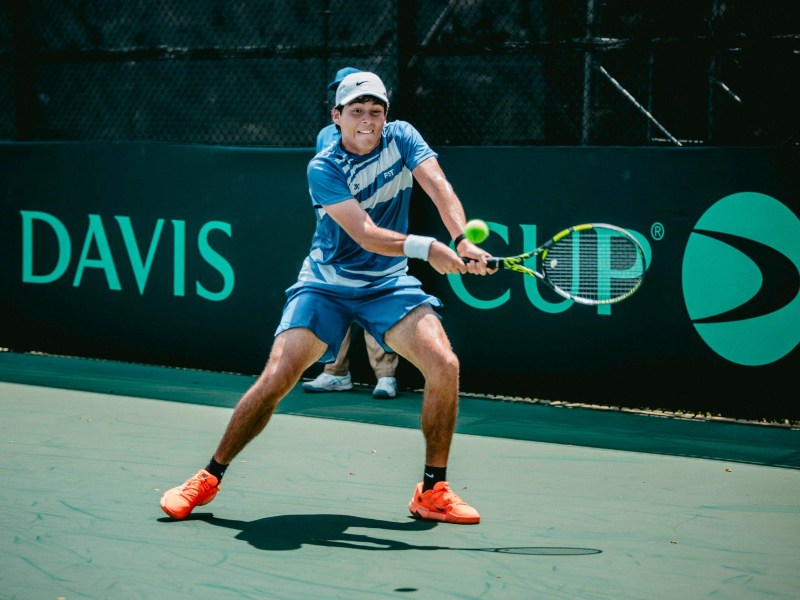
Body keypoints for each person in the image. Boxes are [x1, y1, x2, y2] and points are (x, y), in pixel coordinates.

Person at [160, 71, 492, 525]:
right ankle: (208, 477)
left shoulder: (403, 138)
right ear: (337, 117)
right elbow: (366, 234)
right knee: (277, 376)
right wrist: (428, 248)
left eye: (376, 111)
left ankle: (433, 490)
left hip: (388, 286)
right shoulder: (325, 165)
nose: (368, 120)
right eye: (356, 111)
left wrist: (461, 239)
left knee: (445, 365)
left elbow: (438, 185)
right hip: (325, 285)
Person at [305, 66, 400, 399]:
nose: (359, 110)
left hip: (377, 235)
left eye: (368, 106)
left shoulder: (387, 136)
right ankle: (335, 372)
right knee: (336, 302)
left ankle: (385, 375)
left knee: (378, 303)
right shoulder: (323, 138)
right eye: (346, 99)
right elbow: (327, 189)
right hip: (337, 238)